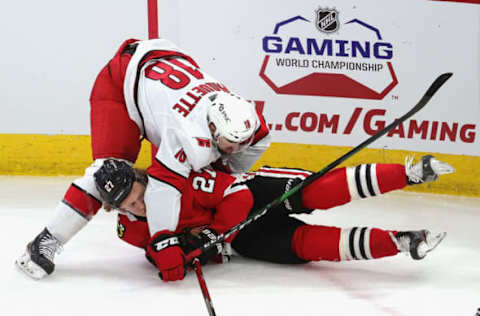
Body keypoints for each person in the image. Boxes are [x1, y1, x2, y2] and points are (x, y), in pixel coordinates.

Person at [15, 38, 271, 280]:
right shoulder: (186, 132)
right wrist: (164, 240)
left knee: (203, 168)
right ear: (212, 128)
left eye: (241, 142)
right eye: (229, 143)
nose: (236, 147)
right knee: (109, 174)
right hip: (122, 83)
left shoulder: (249, 124)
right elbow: (163, 187)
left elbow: (228, 168)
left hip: (160, 75)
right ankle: (46, 242)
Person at [93, 154, 454, 281]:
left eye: (139, 196)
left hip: (253, 196)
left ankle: (409, 173)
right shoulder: (130, 229)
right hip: (241, 240)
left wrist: (213, 235)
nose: (139, 206)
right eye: (129, 206)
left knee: (314, 193)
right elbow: (165, 263)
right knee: (305, 246)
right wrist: (177, 255)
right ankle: (402, 242)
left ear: (143, 179)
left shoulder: (175, 179)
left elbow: (237, 194)